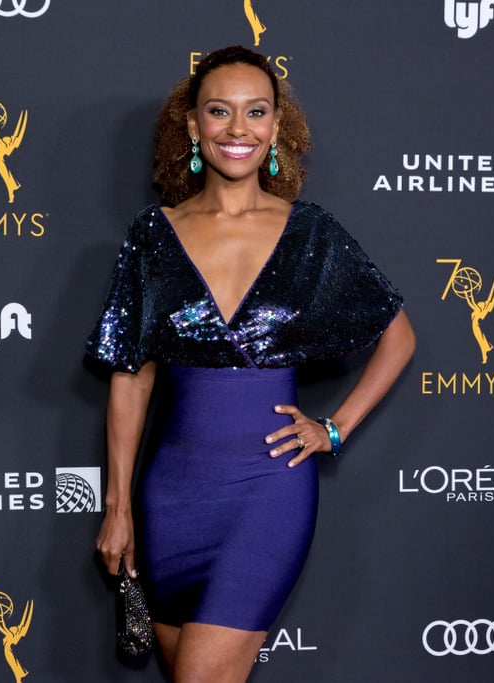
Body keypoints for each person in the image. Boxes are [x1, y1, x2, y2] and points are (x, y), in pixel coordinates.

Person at [86, 45, 416, 683]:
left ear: (275, 127)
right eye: (219, 111)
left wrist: (335, 428)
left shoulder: (311, 233)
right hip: (170, 497)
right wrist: (119, 505)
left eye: (256, 112)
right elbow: (132, 376)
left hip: (266, 492)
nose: (238, 129)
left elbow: (397, 337)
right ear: (192, 126)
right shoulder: (153, 234)